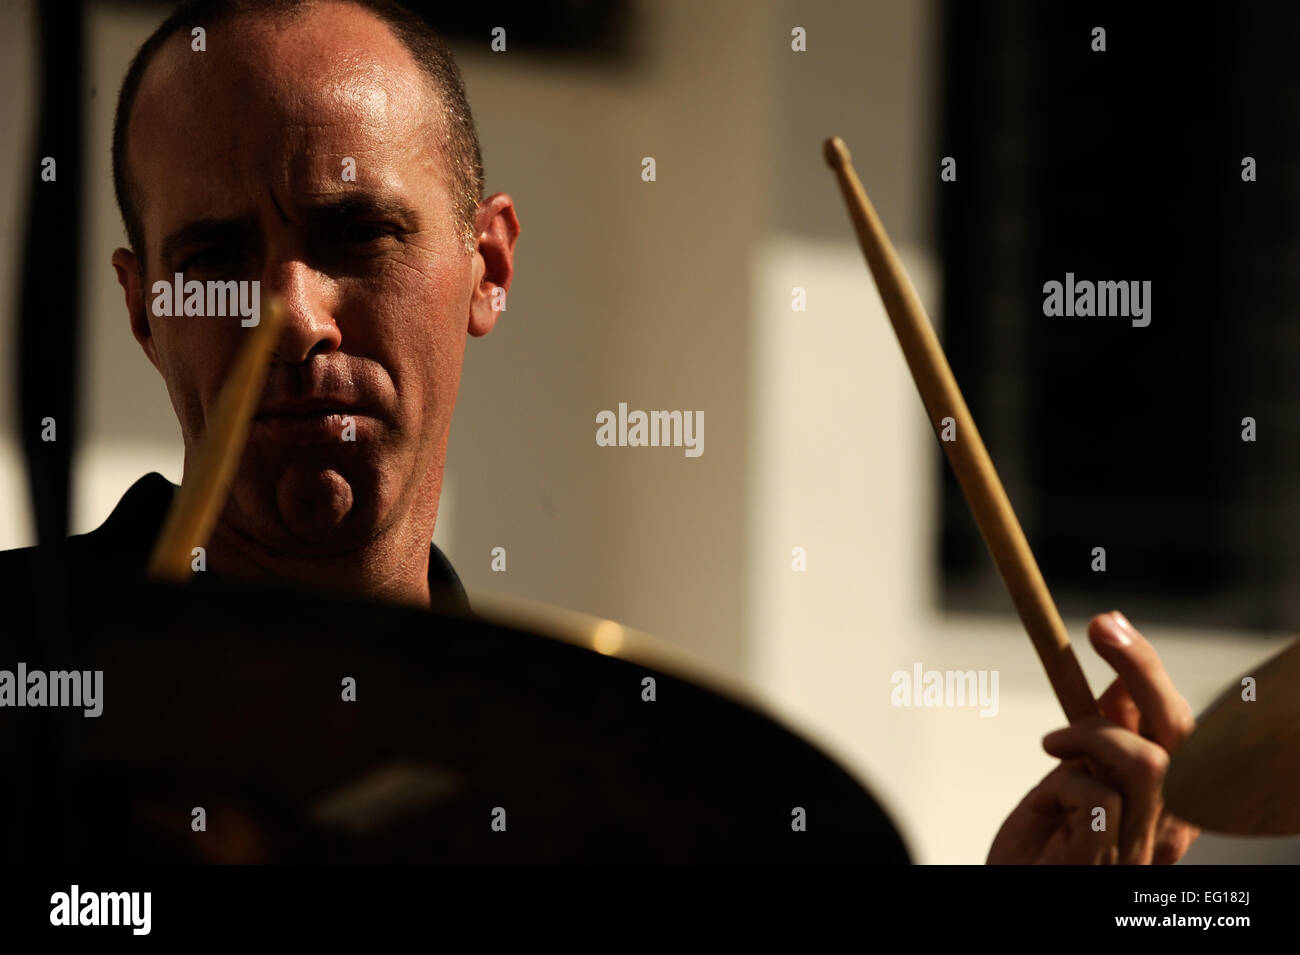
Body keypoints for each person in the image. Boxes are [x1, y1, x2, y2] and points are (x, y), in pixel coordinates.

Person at [1, 0, 1199, 864]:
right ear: (146, 306)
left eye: (358, 234)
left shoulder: (588, 779)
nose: (294, 315)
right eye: (214, 258)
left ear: (489, 262)